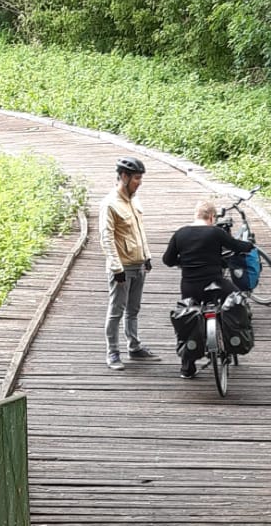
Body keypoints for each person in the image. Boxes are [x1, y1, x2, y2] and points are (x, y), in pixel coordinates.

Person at [162, 201, 247, 376]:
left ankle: (187, 366)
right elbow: (236, 246)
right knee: (236, 299)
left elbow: (167, 260)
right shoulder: (216, 232)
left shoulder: (180, 234)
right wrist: (250, 245)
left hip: (190, 286)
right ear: (211, 217)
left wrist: (184, 262)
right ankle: (233, 342)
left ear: (196, 215)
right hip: (215, 284)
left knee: (187, 318)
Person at [98, 157, 155, 370]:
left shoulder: (134, 200)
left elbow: (139, 231)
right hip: (122, 268)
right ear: (124, 176)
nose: (139, 182)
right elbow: (106, 238)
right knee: (116, 310)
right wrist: (116, 268)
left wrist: (147, 256)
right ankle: (112, 352)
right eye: (136, 178)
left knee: (134, 309)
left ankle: (134, 346)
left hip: (138, 264)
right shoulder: (110, 204)